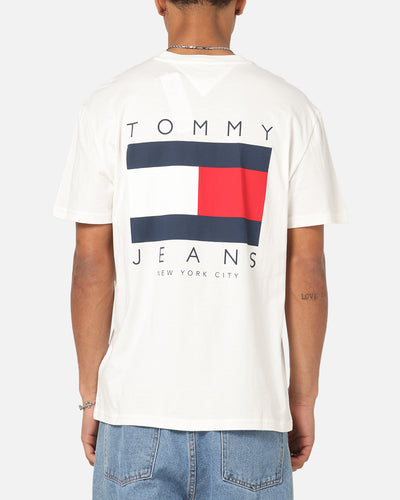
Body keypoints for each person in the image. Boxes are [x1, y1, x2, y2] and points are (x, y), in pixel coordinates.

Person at [53, 0, 348, 498]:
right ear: (241, 2)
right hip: (250, 412)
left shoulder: (108, 105)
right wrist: (302, 398)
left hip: (135, 412)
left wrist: (90, 396)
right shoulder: (291, 108)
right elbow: (308, 268)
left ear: (159, 2)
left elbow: (90, 265)